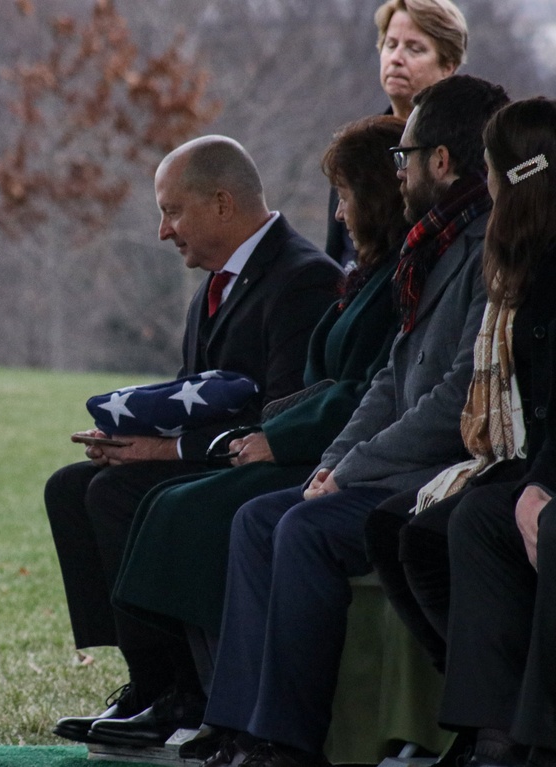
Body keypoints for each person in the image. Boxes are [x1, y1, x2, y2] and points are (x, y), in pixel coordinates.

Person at [193, 74, 509, 767]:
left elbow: (457, 394)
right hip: (389, 463)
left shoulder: (489, 244)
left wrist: (353, 471)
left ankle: (287, 740)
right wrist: (331, 461)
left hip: (440, 470)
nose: (399, 172)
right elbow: (391, 378)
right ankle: (239, 726)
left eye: (407, 154)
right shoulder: (433, 245)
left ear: (442, 162)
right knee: (257, 519)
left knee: (305, 528)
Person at [96, 115, 408, 754]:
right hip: (297, 445)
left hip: (332, 459)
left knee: (187, 504)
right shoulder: (365, 278)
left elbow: (369, 391)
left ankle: (214, 704)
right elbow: (316, 389)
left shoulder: (318, 277)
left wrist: (269, 439)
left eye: (345, 198)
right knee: (109, 489)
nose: (339, 217)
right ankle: (172, 689)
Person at [46, 136, 342, 746]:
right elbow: (197, 392)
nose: (163, 231)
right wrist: (130, 432)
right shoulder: (216, 282)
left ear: (223, 204)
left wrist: (162, 452)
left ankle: (183, 690)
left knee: (116, 493)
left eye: (172, 211)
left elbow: (281, 418)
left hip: (272, 467)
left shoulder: (305, 279)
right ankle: (148, 679)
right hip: (217, 457)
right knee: (72, 486)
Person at [379, 97, 556, 767]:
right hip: (524, 457)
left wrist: (538, 481)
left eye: (493, 169)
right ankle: (489, 715)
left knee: (475, 522)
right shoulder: (519, 257)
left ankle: (500, 736)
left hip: (534, 462)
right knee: (406, 528)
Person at [326, 0, 467, 267]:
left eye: (415, 49)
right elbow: (335, 254)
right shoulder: (355, 148)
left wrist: (521, 172)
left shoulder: (474, 140)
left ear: (448, 65)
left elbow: (535, 166)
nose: (397, 58)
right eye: (390, 45)